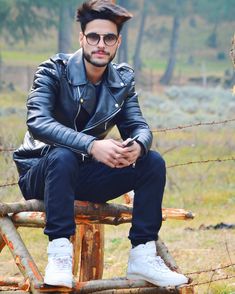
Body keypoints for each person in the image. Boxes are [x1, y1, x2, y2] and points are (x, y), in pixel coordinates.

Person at [13, 0, 188, 289]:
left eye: (109, 38)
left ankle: (142, 255)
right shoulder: (53, 71)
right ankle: (59, 254)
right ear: (82, 38)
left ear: (117, 42)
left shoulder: (122, 80)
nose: (101, 44)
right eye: (93, 36)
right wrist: (92, 146)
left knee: (152, 162)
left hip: (85, 175)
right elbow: (38, 122)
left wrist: (137, 146)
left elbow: (139, 126)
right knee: (63, 156)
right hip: (42, 173)